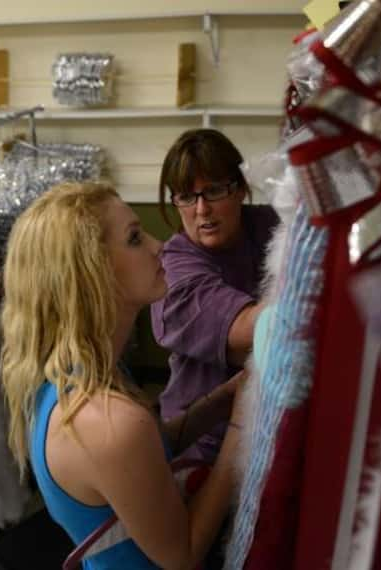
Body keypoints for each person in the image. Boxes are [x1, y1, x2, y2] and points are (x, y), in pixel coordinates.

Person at [0, 181, 247, 570]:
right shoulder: (109, 422)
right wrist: (241, 430)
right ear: (89, 274)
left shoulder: (71, 375)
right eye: (135, 238)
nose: (158, 245)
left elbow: (152, 452)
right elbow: (182, 554)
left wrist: (226, 398)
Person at [152, 129, 278, 463]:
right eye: (186, 196)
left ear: (240, 189)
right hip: (204, 443)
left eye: (214, 191)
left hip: (266, 425)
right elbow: (254, 329)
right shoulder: (174, 273)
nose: (202, 209)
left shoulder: (267, 226)